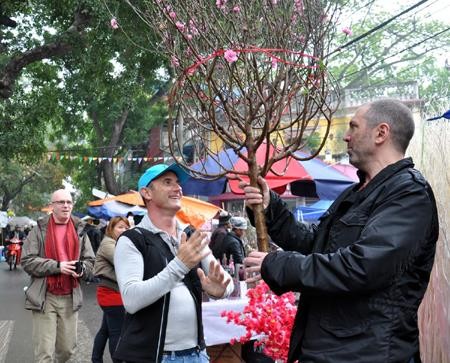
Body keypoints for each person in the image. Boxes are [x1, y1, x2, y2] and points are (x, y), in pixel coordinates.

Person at [241, 99, 439, 363]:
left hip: (368, 354)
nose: (346, 136)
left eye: (354, 127)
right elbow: (315, 243)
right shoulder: (355, 193)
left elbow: (361, 267)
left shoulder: (409, 194)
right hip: (326, 348)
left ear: (381, 133)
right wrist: (270, 210)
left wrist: (279, 265)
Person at [113, 163, 233, 363]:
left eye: (178, 183)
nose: (178, 188)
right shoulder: (132, 239)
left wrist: (220, 290)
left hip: (197, 354)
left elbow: (225, 281)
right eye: (167, 182)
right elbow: (131, 300)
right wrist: (180, 265)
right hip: (155, 357)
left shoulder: (190, 234)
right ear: (147, 193)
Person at [21, 189, 95, 363]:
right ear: (51, 206)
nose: (65, 205)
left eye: (69, 202)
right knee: (44, 353)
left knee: (67, 349)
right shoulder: (39, 229)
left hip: (70, 295)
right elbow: (27, 261)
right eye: (61, 202)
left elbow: (91, 261)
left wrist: (82, 269)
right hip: (45, 295)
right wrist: (57, 266)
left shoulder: (80, 229)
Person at [92, 216, 130, 363]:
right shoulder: (109, 244)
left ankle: (96, 359)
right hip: (111, 294)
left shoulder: (117, 243)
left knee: (105, 330)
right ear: (111, 228)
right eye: (120, 227)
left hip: (111, 292)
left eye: (126, 228)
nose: (124, 230)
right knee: (117, 333)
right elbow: (123, 262)